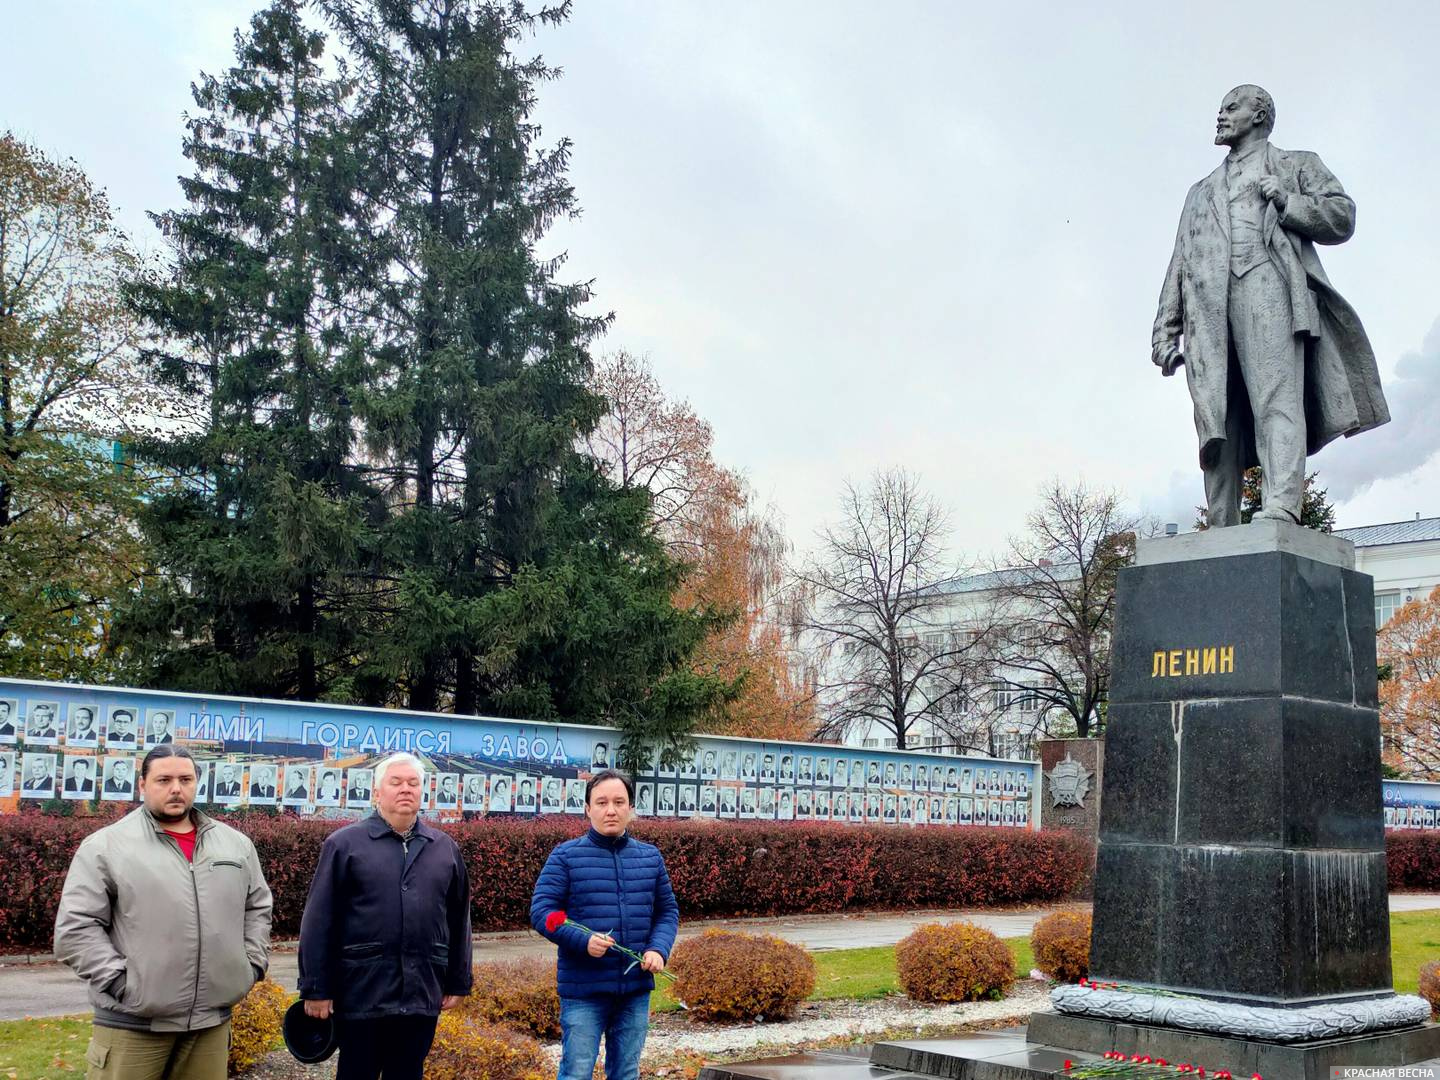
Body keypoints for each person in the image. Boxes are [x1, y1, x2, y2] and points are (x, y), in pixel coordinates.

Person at [1152, 84, 1388, 526]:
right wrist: (1164, 330)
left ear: (1259, 115)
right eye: (1220, 108)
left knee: (1276, 400)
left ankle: (1280, 506)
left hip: (1270, 288)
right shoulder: (1199, 192)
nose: (1220, 115)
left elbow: (1342, 216)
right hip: (1209, 310)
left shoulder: (1296, 165)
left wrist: (1289, 200)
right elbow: (1180, 262)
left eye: (1231, 107)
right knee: (1217, 417)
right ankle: (1222, 522)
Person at [54, 745, 273, 1080]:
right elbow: (76, 928)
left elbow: (257, 907)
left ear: (197, 783)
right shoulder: (106, 847)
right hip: (134, 1026)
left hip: (210, 1025)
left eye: (185, 779)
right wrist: (121, 982)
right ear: (143, 784)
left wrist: (250, 965)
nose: (176, 788)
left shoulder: (235, 846)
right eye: (164, 779)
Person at [298, 752, 472, 1080]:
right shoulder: (344, 845)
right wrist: (315, 987)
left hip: (421, 992)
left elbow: (458, 918)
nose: (405, 789)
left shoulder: (444, 847)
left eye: (413, 783)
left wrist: (458, 980)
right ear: (377, 792)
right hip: (362, 991)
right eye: (396, 782)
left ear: (423, 791)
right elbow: (319, 919)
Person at [531, 770, 679, 1080]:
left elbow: (667, 912)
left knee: (626, 1072)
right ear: (587, 809)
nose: (610, 810)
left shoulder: (650, 858)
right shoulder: (565, 856)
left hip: (634, 990)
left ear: (630, 808)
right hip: (584, 989)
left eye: (618, 802)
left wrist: (657, 949)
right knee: (577, 1072)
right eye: (601, 802)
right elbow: (543, 911)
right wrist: (581, 941)